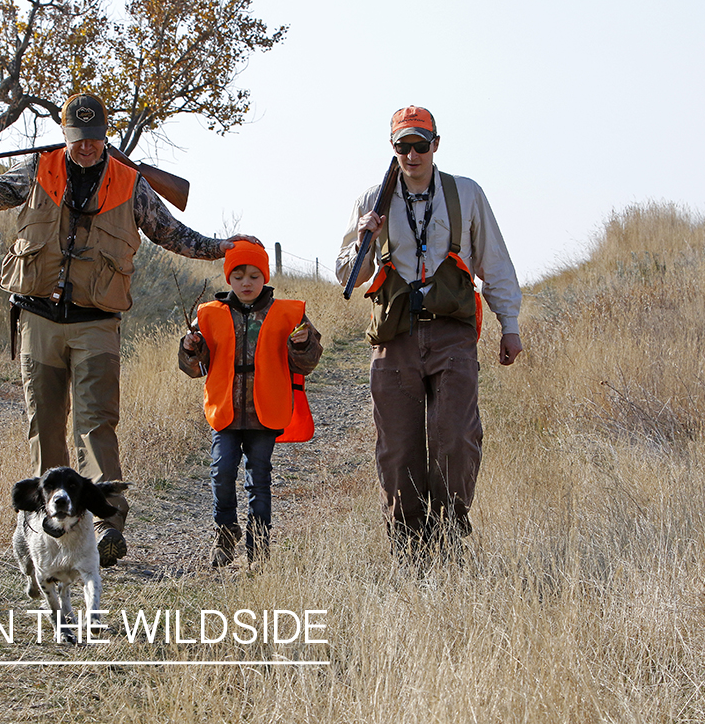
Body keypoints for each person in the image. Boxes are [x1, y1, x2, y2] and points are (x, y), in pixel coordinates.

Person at [0, 92, 260, 568]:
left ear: (107, 137)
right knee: (45, 426)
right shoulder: (37, 170)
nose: (86, 147)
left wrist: (227, 247)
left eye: (96, 139)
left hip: (96, 324)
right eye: (79, 139)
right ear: (65, 135)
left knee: (96, 425)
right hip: (38, 318)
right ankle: (53, 525)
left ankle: (105, 526)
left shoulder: (130, 183)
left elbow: (173, 234)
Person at [335, 106, 523, 558]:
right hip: (395, 334)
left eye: (421, 144)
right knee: (398, 449)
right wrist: (366, 237)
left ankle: (450, 534)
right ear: (393, 148)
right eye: (403, 146)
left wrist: (509, 325)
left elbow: (493, 261)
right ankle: (409, 548)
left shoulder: (465, 194)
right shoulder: (371, 199)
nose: (413, 154)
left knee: (455, 437)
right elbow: (346, 274)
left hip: (451, 333)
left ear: (436, 144)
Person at [179, 242, 322, 567]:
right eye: (239, 275)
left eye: (255, 275)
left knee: (259, 479)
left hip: (265, 412)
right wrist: (191, 347)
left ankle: (259, 546)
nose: (247, 282)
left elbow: (308, 362)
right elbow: (193, 367)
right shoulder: (209, 315)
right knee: (221, 472)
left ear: (265, 277)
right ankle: (226, 534)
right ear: (229, 278)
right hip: (225, 412)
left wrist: (301, 345)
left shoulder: (288, 315)